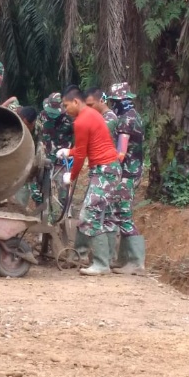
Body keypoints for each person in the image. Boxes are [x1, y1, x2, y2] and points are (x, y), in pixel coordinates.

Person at [57, 87, 121, 276]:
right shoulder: (93, 114)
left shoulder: (81, 121)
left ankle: (101, 264)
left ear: (76, 102)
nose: (65, 110)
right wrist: (69, 151)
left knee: (89, 215)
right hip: (111, 168)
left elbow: (81, 156)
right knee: (105, 216)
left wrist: (72, 176)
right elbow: (88, 146)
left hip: (104, 171)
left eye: (66, 105)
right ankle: (105, 259)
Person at [108, 82, 146, 274]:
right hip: (134, 171)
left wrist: (107, 163)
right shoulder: (135, 117)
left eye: (114, 101)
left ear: (120, 101)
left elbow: (121, 153)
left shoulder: (125, 121)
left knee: (123, 214)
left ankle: (136, 262)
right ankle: (123, 259)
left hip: (127, 174)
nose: (113, 105)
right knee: (121, 212)